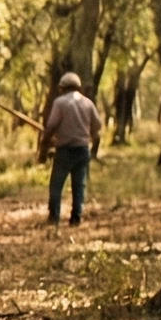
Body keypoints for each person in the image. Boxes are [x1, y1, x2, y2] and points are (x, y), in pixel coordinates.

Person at [44, 72, 104, 226]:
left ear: (62, 88)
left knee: (56, 185)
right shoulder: (88, 103)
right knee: (79, 185)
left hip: (64, 150)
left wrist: (47, 138)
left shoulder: (60, 103)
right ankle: (76, 217)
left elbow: (51, 125)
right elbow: (97, 125)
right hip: (82, 150)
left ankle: (54, 218)